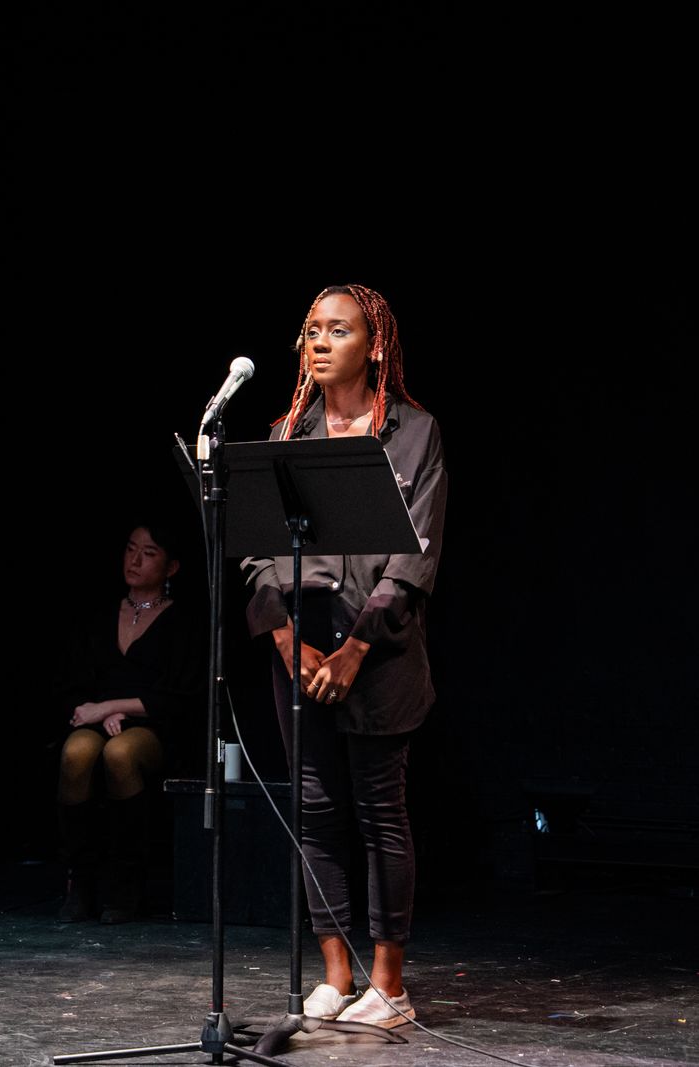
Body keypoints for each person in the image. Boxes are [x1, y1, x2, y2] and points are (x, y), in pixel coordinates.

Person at [239, 284, 447, 1029]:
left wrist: (357, 646)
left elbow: (414, 555)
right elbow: (256, 552)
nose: (319, 343)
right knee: (315, 811)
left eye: (338, 330)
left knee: (379, 811)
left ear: (375, 345)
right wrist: (286, 640)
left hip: (377, 649)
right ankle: (333, 974)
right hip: (300, 647)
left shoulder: (413, 433)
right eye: (311, 331)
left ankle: (388, 986)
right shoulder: (286, 433)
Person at [53, 519, 205, 924]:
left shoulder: (182, 621)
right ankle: (80, 878)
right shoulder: (100, 614)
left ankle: (126, 880)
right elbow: (73, 683)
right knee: (76, 752)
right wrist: (101, 711)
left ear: (171, 567)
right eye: (130, 549)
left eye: (148, 553)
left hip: (156, 725)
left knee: (121, 754)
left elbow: (181, 697)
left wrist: (117, 707)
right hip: (98, 721)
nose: (135, 561)